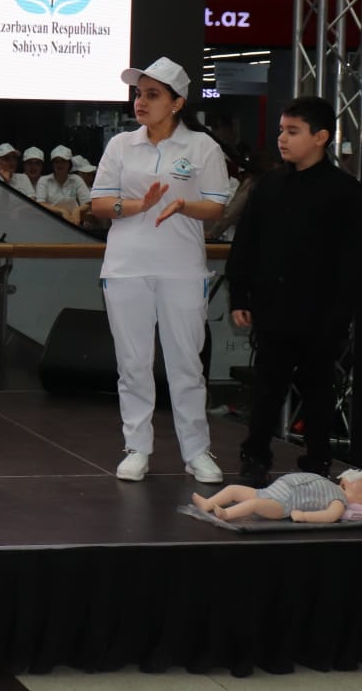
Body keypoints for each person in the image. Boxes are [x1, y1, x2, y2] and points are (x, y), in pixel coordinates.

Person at [91, 57, 230, 483]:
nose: (141, 102)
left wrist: (184, 205)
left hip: (183, 270)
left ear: (177, 103)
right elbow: (98, 205)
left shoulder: (202, 148)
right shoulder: (120, 146)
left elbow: (217, 206)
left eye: (153, 94)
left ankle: (197, 452)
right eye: (139, 93)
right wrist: (139, 206)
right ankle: (137, 447)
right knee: (132, 363)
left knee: (186, 363)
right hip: (126, 268)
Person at [227, 96, 362, 485]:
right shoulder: (269, 185)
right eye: (280, 131)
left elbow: (354, 260)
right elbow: (247, 245)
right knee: (267, 388)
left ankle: (319, 459)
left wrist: (341, 313)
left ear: (321, 137)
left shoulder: (345, 192)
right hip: (273, 308)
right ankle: (255, 456)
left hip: (321, 313)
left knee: (319, 389)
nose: (282, 139)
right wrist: (240, 295)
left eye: (292, 131)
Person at [190, 468, 362, 523]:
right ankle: (208, 503)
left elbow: (330, 516)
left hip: (284, 503)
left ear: (361, 501)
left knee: (255, 504)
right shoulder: (330, 486)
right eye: (342, 484)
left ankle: (227, 515)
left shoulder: (338, 502)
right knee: (234, 489)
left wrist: (305, 516)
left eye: (348, 488)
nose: (341, 489)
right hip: (274, 490)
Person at [34, 144, 91, 223]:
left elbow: (88, 203)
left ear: (69, 164)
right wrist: (61, 211)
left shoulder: (76, 179)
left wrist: (77, 210)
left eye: (63, 161)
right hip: (49, 222)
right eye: (56, 161)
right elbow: (40, 203)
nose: (59, 164)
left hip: (73, 221)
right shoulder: (44, 180)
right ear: (52, 164)